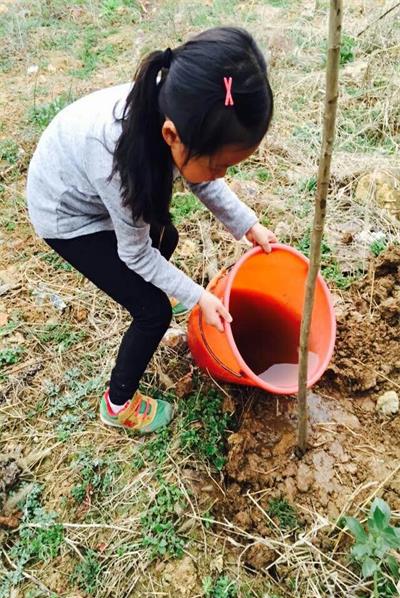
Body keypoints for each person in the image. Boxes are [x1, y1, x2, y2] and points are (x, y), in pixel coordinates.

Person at [26, 26, 276, 434]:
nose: (222, 175)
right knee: (152, 311)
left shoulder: (179, 112)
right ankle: (118, 403)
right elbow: (135, 252)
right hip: (66, 215)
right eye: (220, 166)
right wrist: (197, 296)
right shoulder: (120, 161)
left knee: (167, 237)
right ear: (171, 136)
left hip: (94, 190)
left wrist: (248, 225)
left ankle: (157, 292)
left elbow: (201, 177)